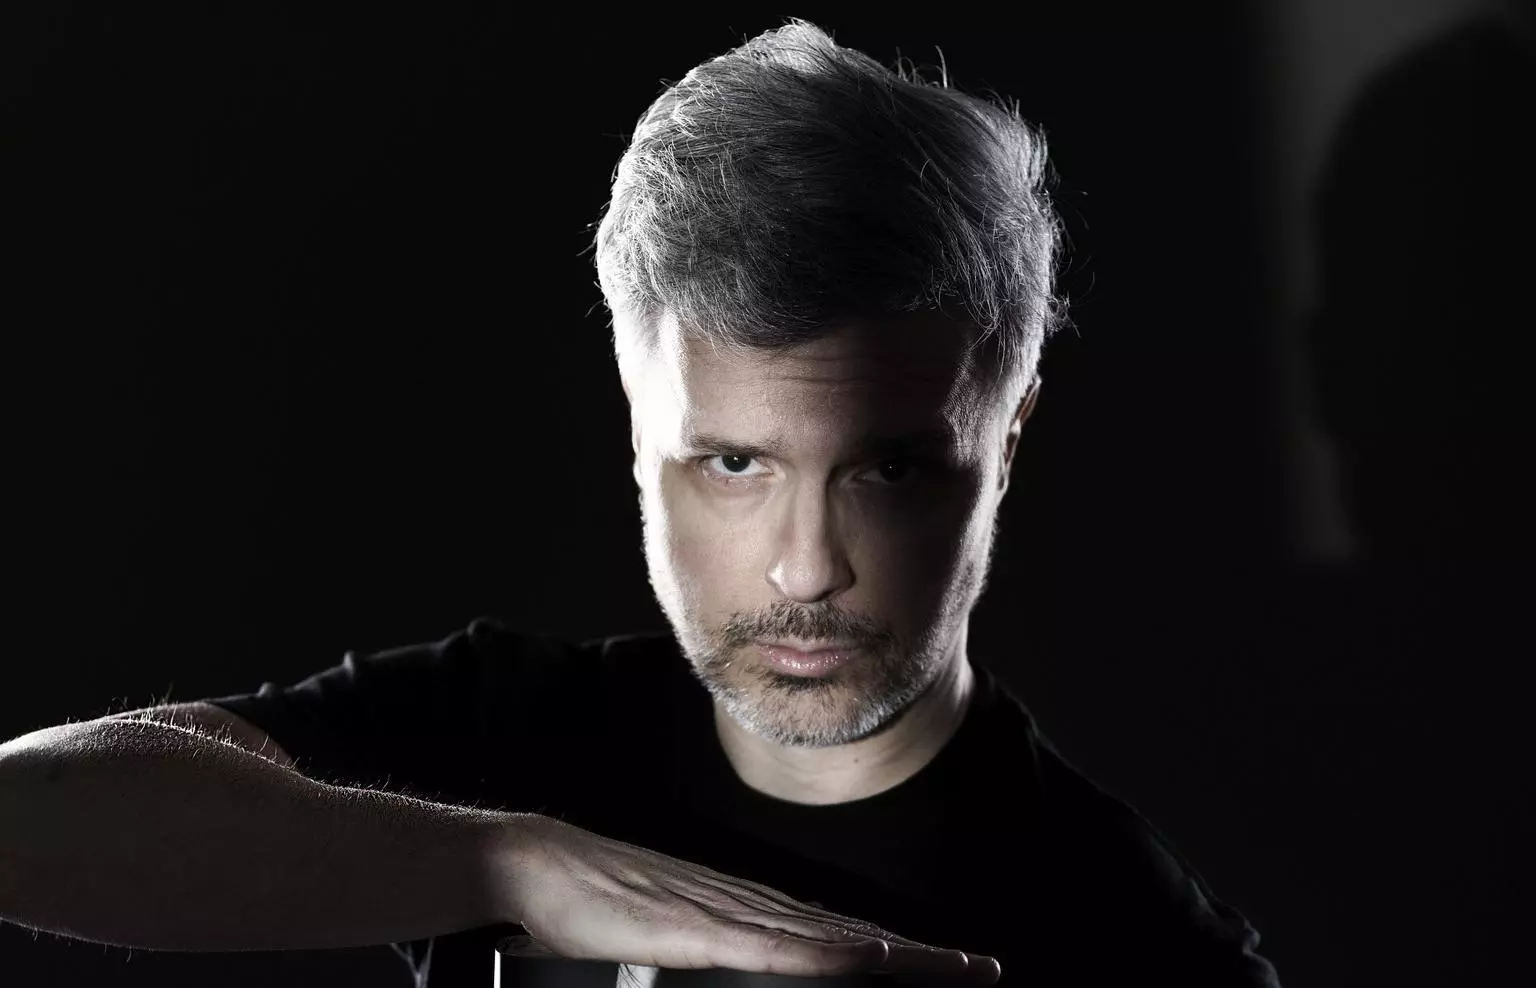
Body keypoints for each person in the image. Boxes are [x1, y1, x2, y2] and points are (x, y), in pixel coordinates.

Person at [0, 18, 1281, 988]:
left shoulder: (1142, 941)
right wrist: (506, 862)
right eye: (733, 464)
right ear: (637, 428)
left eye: (886, 468)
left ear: (1008, 436)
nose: (805, 568)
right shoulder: (497, 735)